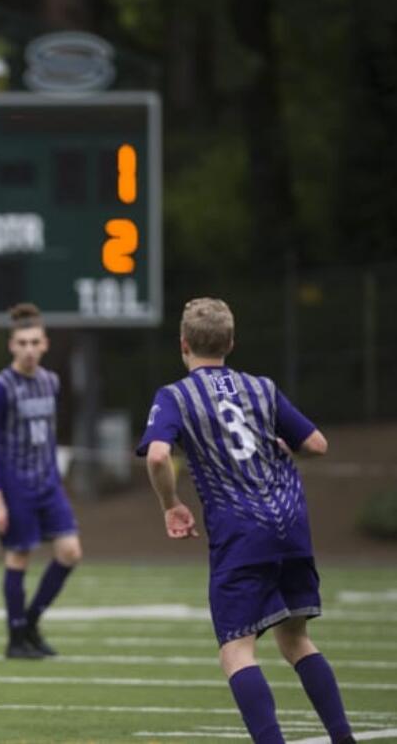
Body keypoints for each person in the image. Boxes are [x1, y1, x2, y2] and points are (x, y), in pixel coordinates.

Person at [137, 298, 353, 744]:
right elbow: (316, 443)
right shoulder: (263, 388)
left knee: (237, 649)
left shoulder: (174, 396)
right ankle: (342, 737)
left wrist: (170, 504)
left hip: (240, 531)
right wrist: (278, 444)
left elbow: (158, 454)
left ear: (183, 344)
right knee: (295, 640)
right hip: (291, 524)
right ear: (231, 343)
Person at [0, 303, 82, 659]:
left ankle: (31, 621)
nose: (29, 349)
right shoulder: (0, 387)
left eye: (35, 342)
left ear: (45, 344)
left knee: (70, 552)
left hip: (48, 484)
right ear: (11, 345)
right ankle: (16, 637)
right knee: (19, 557)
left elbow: (49, 435)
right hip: (15, 485)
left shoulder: (50, 382)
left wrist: (56, 475)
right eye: (22, 342)